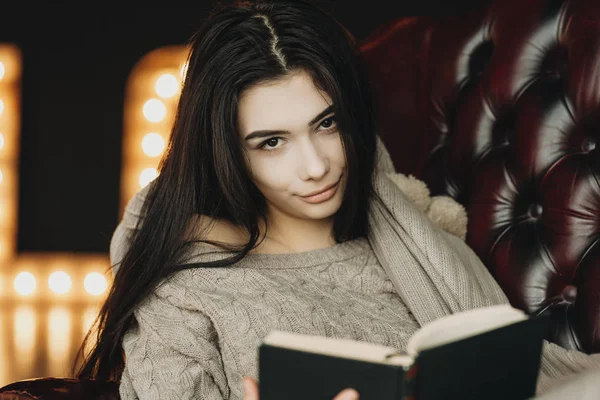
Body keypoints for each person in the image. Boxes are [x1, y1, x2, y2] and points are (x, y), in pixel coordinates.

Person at [73, 0, 600, 399]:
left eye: (326, 124)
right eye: (272, 142)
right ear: (228, 154)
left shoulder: (422, 252)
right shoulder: (186, 287)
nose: (316, 166)